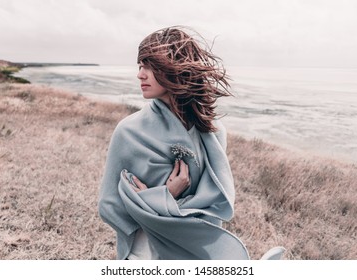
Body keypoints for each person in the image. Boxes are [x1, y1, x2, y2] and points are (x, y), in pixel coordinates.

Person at [98, 26, 284, 260]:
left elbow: (215, 202)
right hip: (147, 248)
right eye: (140, 66)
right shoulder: (129, 131)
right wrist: (165, 196)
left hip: (197, 248)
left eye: (149, 66)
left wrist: (157, 201)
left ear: (173, 67)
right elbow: (110, 206)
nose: (140, 74)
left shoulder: (212, 133)